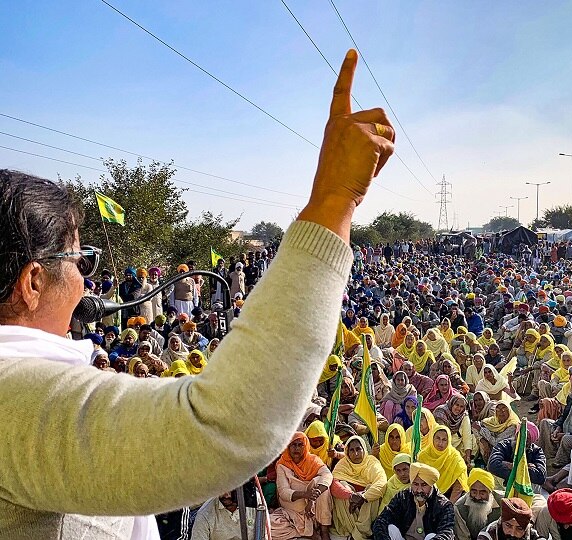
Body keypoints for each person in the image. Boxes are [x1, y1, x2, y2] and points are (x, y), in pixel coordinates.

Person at [0, 49, 396, 538]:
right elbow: (223, 426)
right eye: (82, 261)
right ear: (33, 283)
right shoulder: (11, 398)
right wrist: (335, 199)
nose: (87, 281)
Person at [269, 432, 333, 540]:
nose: (296, 448)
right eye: (293, 445)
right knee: (268, 526)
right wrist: (305, 495)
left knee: (321, 484)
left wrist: (313, 497)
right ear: (288, 447)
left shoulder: (313, 460)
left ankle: (324, 530)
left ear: (305, 446)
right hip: (293, 513)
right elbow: (283, 492)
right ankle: (305, 532)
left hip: (313, 512)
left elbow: (327, 475)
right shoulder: (282, 465)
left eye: (300, 445)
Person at [372, 462, 455, 540]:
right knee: (390, 528)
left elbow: (447, 533)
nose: (419, 490)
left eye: (424, 485)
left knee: (431, 536)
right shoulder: (402, 497)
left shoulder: (444, 505)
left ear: (431, 484)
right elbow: (381, 520)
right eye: (415, 484)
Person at [330, 436, 387, 540]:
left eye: (358, 449)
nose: (356, 454)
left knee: (372, 489)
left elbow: (381, 483)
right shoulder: (343, 463)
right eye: (352, 450)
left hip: (366, 502)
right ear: (347, 451)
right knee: (342, 485)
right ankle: (352, 530)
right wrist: (351, 495)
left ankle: (359, 533)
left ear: (364, 449)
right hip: (351, 499)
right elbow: (333, 484)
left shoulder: (372, 461)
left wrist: (363, 497)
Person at [417, 425, 469, 503]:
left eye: (444, 440)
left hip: (450, 497)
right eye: (438, 438)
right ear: (432, 438)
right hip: (427, 496)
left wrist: (449, 507)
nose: (440, 443)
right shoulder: (423, 456)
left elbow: (458, 486)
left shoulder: (454, 457)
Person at [453, 468, 500, 540]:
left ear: (490, 492)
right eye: (474, 492)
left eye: (482, 493)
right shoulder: (460, 507)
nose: (477, 497)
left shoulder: (503, 503)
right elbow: (463, 537)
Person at [191, 490, 255, 540]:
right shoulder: (205, 513)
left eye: (231, 489)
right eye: (222, 489)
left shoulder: (255, 502)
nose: (226, 495)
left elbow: (263, 534)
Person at [479, 497, 545, 540]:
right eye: (508, 525)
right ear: (501, 522)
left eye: (519, 528)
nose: (512, 533)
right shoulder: (487, 535)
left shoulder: (532, 535)